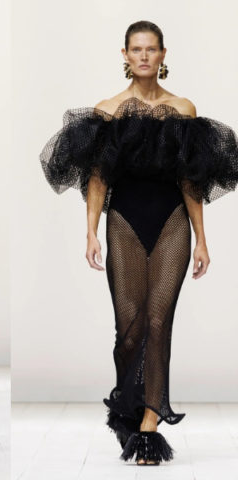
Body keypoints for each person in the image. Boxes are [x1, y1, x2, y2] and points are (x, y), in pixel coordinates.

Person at [40, 20, 238, 466]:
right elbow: (98, 178)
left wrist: (202, 239)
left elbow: (191, 180)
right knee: (129, 331)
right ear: (125, 55)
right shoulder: (108, 111)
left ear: (163, 55)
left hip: (172, 223)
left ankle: (149, 425)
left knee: (158, 321)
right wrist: (90, 231)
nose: (144, 56)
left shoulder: (183, 110)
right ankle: (127, 406)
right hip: (124, 221)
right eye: (136, 49)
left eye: (151, 49)